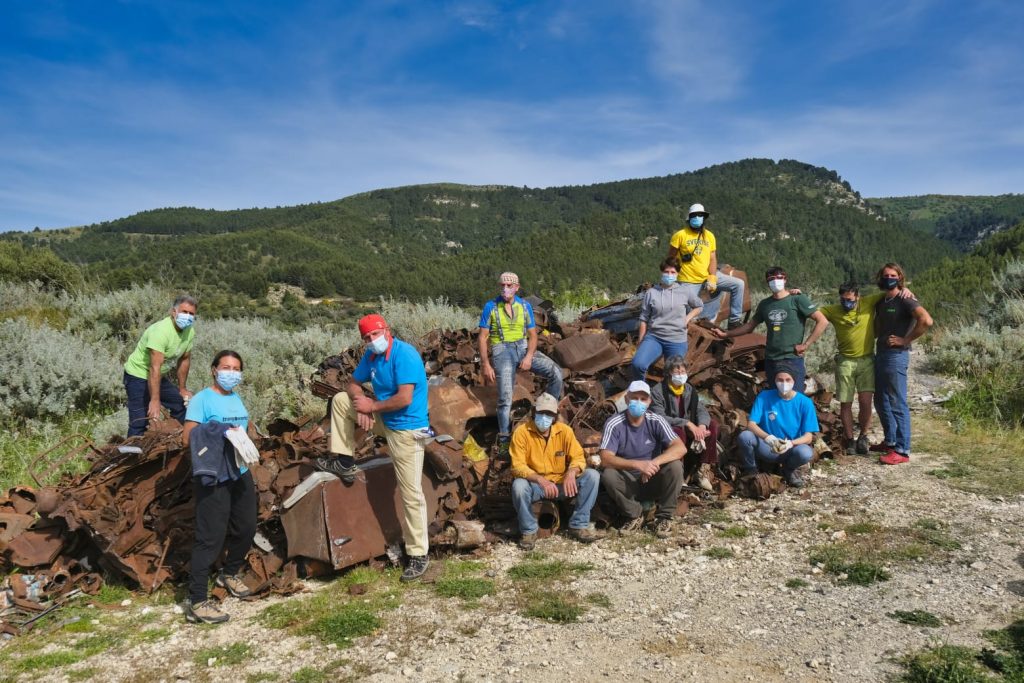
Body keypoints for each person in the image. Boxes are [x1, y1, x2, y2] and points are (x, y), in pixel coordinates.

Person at [315, 314, 433, 581]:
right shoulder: (371, 356)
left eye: (374, 335)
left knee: (410, 492)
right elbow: (353, 384)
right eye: (366, 338)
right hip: (384, 419)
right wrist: (361, 406)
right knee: (343, 400)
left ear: (386, 331)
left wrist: (373, 407)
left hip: (407, 427)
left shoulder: (406, 355)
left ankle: (418, 553)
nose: (371, 341)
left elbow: (404, 398)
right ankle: (344, 461)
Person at [182, 350, 259, 624]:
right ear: (214, 369)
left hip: (239, 470)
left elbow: (243, 428)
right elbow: (188, 437)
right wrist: (218, 433)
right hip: (214, 474)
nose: (231, 372)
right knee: (210, 537)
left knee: (247, 525)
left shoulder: (236, 398)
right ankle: (197, 600)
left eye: (236, 368)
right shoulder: (202, 399)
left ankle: (229, 574)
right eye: (226, 367)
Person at [819, 282, 915, 455]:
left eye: (849, 299)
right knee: (845, 402)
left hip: (867, 360)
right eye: (842, 299)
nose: (846, 303)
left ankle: (863, 437)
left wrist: (905, 290)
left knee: (865, 401)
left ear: (857, 296)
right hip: (845, 362)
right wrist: (795, 294)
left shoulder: (868, 302)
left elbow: (891, 293)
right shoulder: (832, 310)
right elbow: (811, 312)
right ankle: (849, 440)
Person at [478, 272, 563, 449]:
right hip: (501, 349)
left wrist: (529, 356)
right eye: (502, 285)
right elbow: (482, 337)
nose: (505, 289)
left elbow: (533, 335)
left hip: (522, 347)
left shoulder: (524, 307)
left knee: (556, 372)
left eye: (509, 286)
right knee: (505, 398)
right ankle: (504, 440)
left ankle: (547, 411)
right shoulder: (491, 307)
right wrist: (486, 364)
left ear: (517, 287)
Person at [509, 393, 603, 550]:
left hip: (562, 484)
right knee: (518, 486)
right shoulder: (522, 433)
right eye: (541, 413)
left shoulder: (565, 431)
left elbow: (578, 457)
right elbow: (517, 466)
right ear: (534, 412)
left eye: (549, 413)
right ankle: (529, 531)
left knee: (592, 476)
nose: (544, 417)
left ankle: (578, 525)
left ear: (555, 415)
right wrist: (541, 480)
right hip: (536, 486)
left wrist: (571, 473)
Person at [713, 266, 828, 393]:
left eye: (779, 277)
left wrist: (806, 344)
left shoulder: (797, 299)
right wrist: (727, 334)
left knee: (794, 397)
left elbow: (822, 321)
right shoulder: (765, 304)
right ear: (767, 282)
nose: (775, 281)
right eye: (771, 278)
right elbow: (750, 326)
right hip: (771, 359)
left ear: (785, 280)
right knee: (775, 396)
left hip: (792, 358)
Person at [599, 381, 687, 538]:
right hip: (627, 481)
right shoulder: (614, 423)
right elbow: (605, 458)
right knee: (608, 474)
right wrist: (636, 464)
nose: (638, 402)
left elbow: (680, 448)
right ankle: (635, 514)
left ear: (649, 402)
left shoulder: (656, 420)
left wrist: (653, 463)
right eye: (634, 398)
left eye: (643, 399)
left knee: (675, 466)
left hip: (652, 479)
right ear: (626, 399)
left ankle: (664, 517)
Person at [871, 263, 933, 465]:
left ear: (900, 278)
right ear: (880, 278)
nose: (889, 278)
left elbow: (926, 320)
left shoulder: (906, 299)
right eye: (886, 275)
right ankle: (890, 442)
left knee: (897, 402)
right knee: (881, 400)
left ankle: (902, 450)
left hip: (896, 355)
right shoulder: (882, 301)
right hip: (881, 354)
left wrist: (905, 340)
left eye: (893, 275)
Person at [122, 294, 197, 436]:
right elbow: (154, 367)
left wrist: (182, 388)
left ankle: (182, 441)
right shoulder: (161, 331)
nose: (187, 316)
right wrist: (155, 400)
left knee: (179, 405)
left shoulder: (189, 331)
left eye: (191, 314)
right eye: (184, 312)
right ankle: (132, 454)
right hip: (137, 375)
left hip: (157, 376)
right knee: (140, 420)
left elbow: (185, 359)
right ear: (174, 312)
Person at [667, 203, 746, 328]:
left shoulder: (709, 236)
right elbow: (670, 258)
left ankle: (734, 321)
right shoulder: (680, 235)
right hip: (688, 280)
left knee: (738, 284)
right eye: (694, 215)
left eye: (700, 215)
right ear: (689, 218)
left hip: (706, 277)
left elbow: (713, 259)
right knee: (689, 310)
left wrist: (713, 277)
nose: (697, 217)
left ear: (704, 218)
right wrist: (672, 278)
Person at [737, 371, 819, 488]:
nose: (784, 383)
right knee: (745, 437)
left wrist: (790, 443)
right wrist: (768, 438)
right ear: (775, 381)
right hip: (768, 446)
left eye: (787, 380)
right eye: (780, 380)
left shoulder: (805, 402)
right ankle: (751, 472)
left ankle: (789, 470)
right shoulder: (764, 397)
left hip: (790, 449)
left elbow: (808, 437)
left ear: (794, 381)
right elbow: (751, 424)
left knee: (805, 453)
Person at [649, 356, 717, 491]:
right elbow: (659, 417)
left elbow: (701, 409)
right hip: (671, 429)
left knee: (713, 425)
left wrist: (702, 426)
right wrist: (686, 423)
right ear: (669, 373)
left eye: (683, 372)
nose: (681, 375)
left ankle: (702, 471)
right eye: (677, 372)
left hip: (688, 427)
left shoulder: (689, 389)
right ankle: (678, 474)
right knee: (678, 431)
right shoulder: (658, 391)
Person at [631, 258, 704, 380]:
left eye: (673, 272)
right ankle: (641, 392)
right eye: (666, 272)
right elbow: (643, 318)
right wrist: (641, 341)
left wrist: (687, 318)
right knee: (638, 364)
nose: (669, 275)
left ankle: (668, 396)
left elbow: (699, 306)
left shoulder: (685, 291)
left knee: (674, 375)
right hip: (655, 337)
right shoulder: (651, 292)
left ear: (677, 274)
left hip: (676, 339)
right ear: (661, 272)